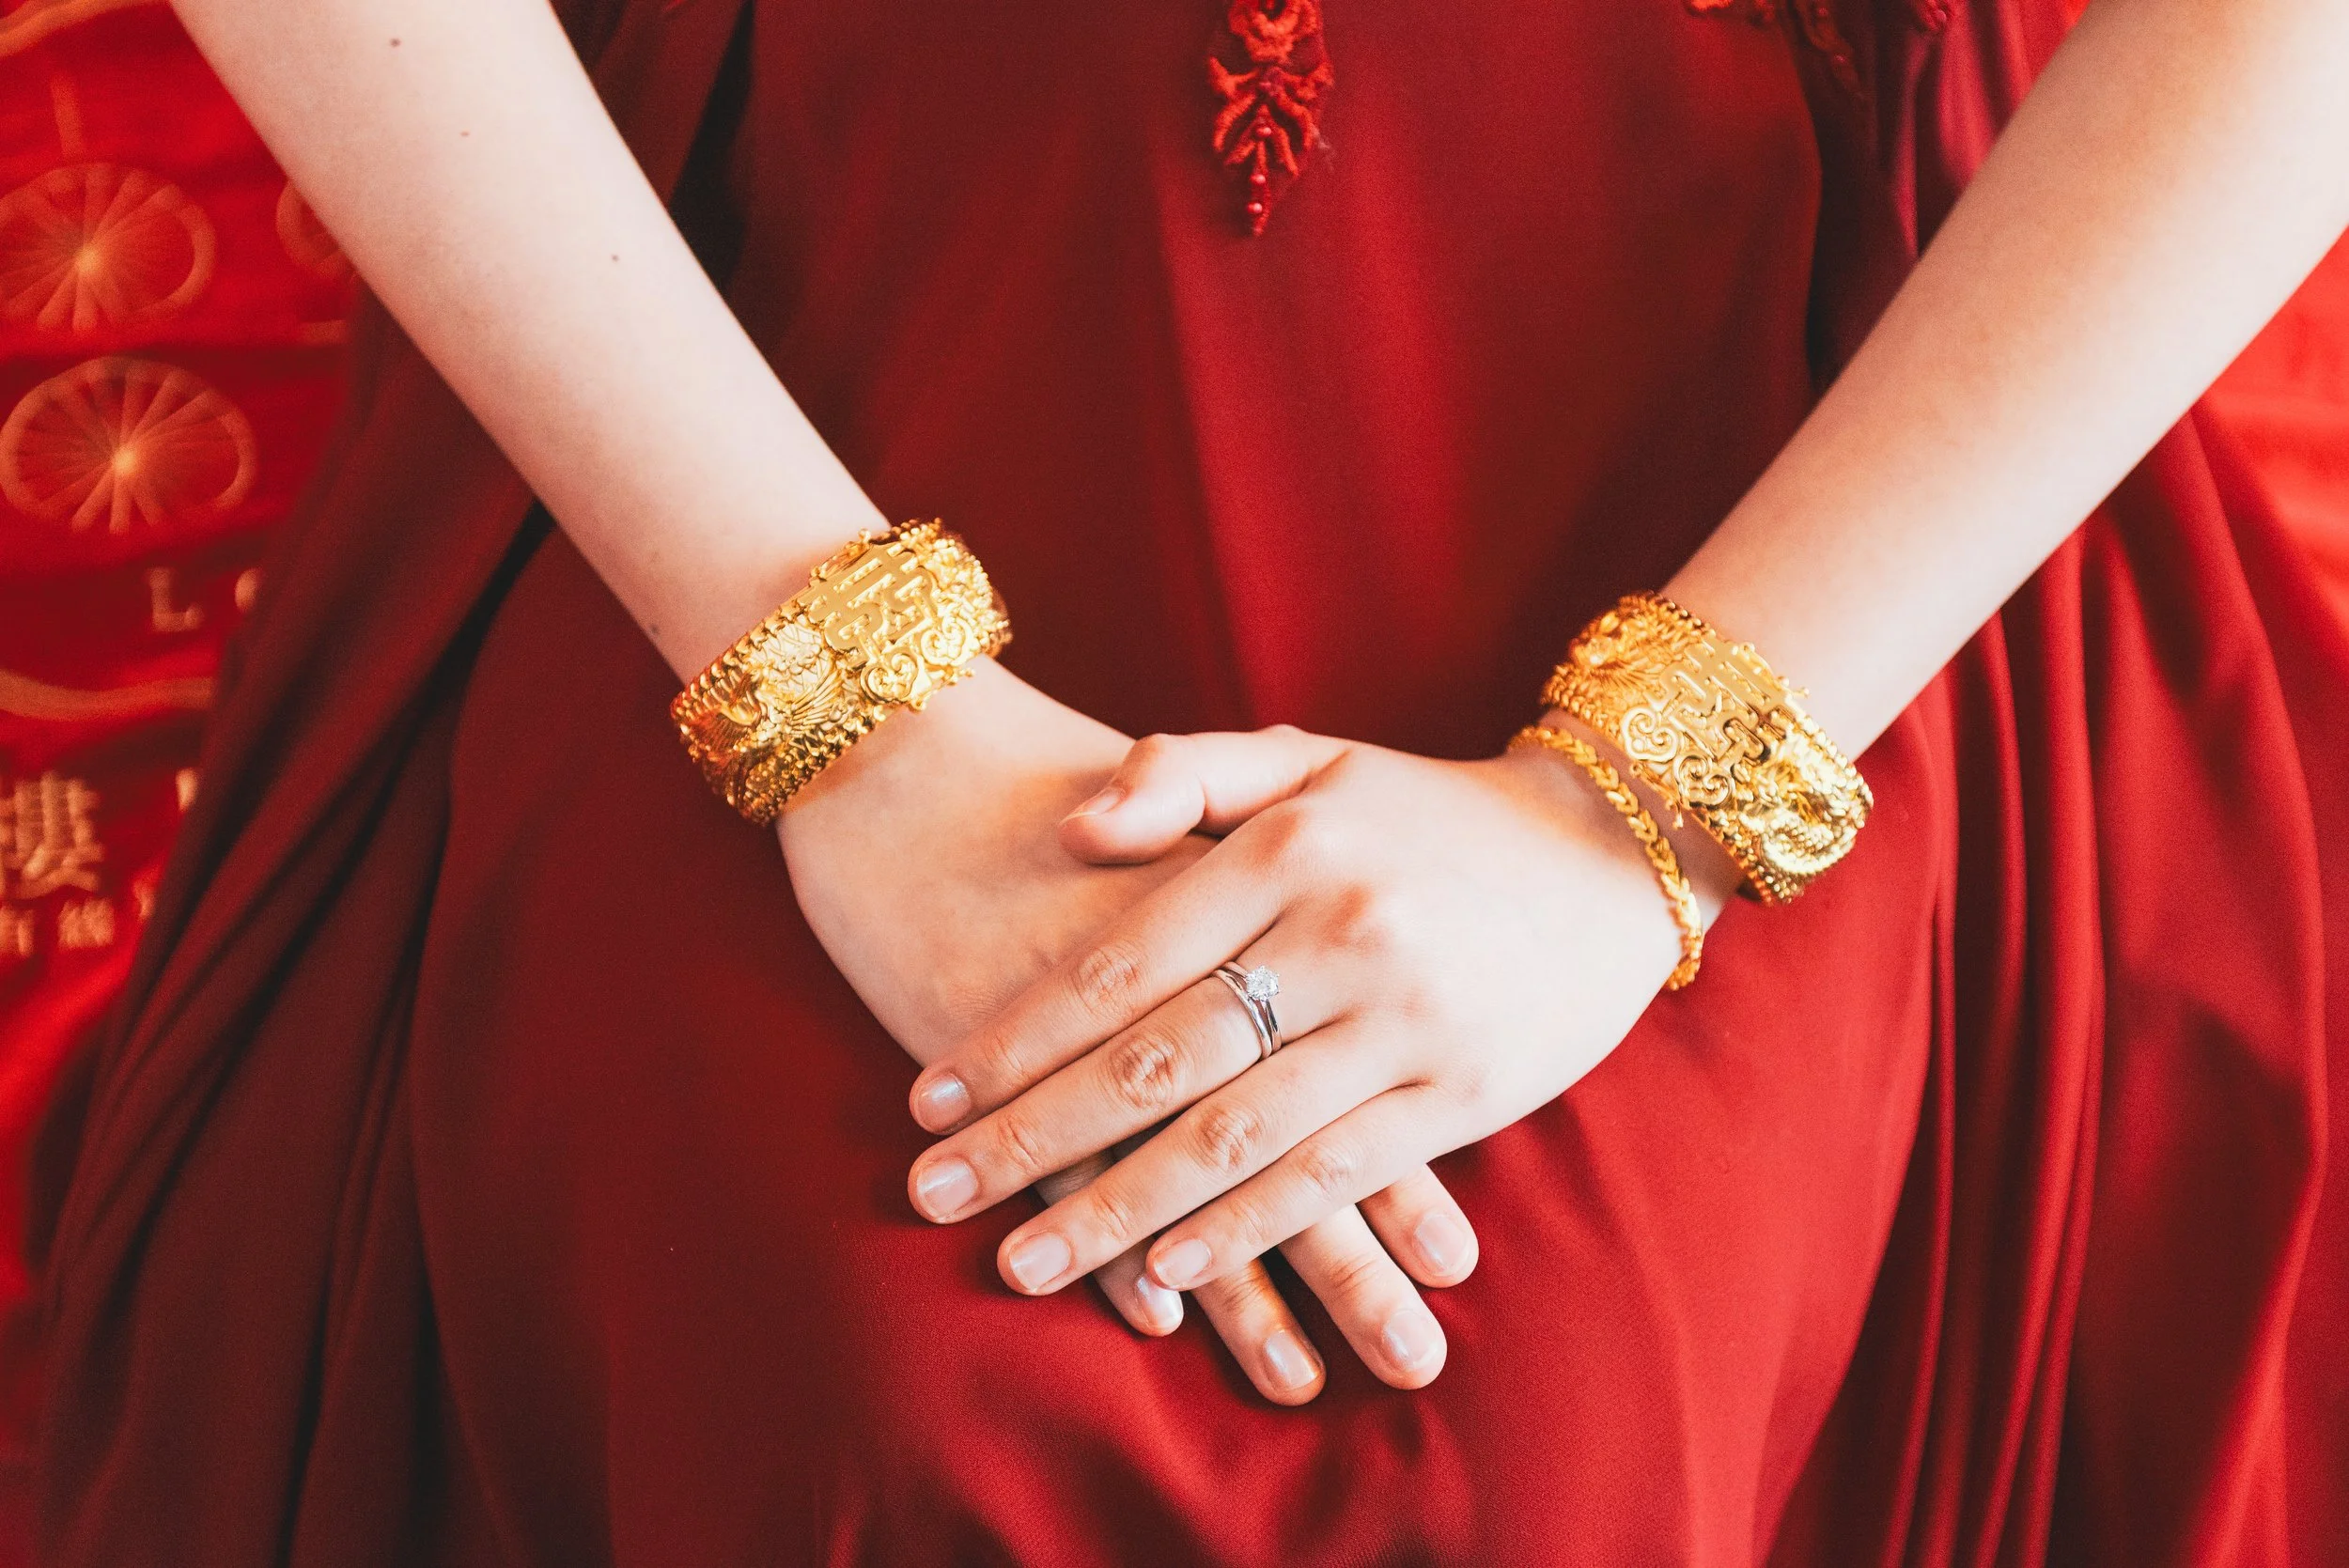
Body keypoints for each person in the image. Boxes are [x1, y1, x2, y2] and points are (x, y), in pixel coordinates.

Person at [32, 0, 2349, 1561]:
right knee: (850, 1398)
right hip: (715, 361)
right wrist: (843, 697)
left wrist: (1622, 813)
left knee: (1550, 1416)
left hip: (1825, 455)